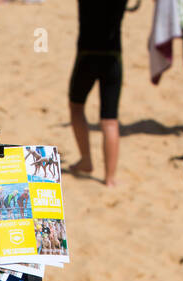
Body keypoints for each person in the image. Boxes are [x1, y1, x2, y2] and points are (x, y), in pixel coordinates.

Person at [67, 0, 129, 187]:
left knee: (76, 106)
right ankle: (110, 177)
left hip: (87, 54)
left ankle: (86, 159)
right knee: (110, 120)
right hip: (113, 57)